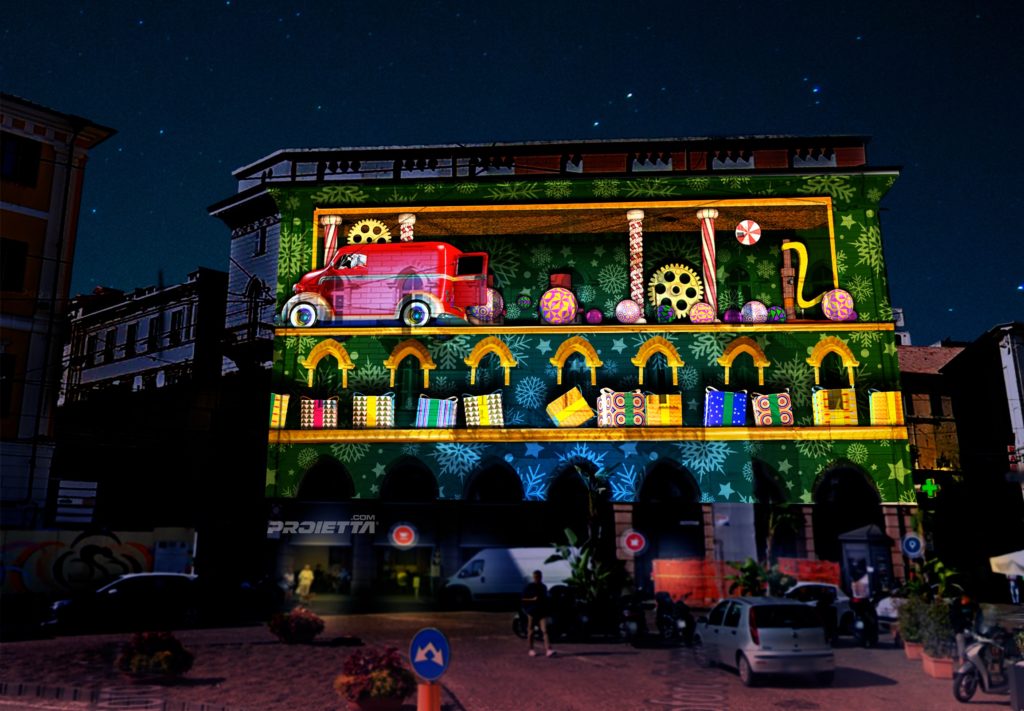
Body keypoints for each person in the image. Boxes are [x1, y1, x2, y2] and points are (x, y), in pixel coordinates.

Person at [521, 570, 554, 657]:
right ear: (533, 577)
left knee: (545, 630)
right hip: (532, 611)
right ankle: (531, 649)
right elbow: (522, 598)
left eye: (539, 577)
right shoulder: (529, 587)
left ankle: (548, 649)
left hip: (542, 612)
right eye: (536, 577)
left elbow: (546, 598)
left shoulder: (543, 587)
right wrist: (532, 600)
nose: (537, 578)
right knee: (531, 631)